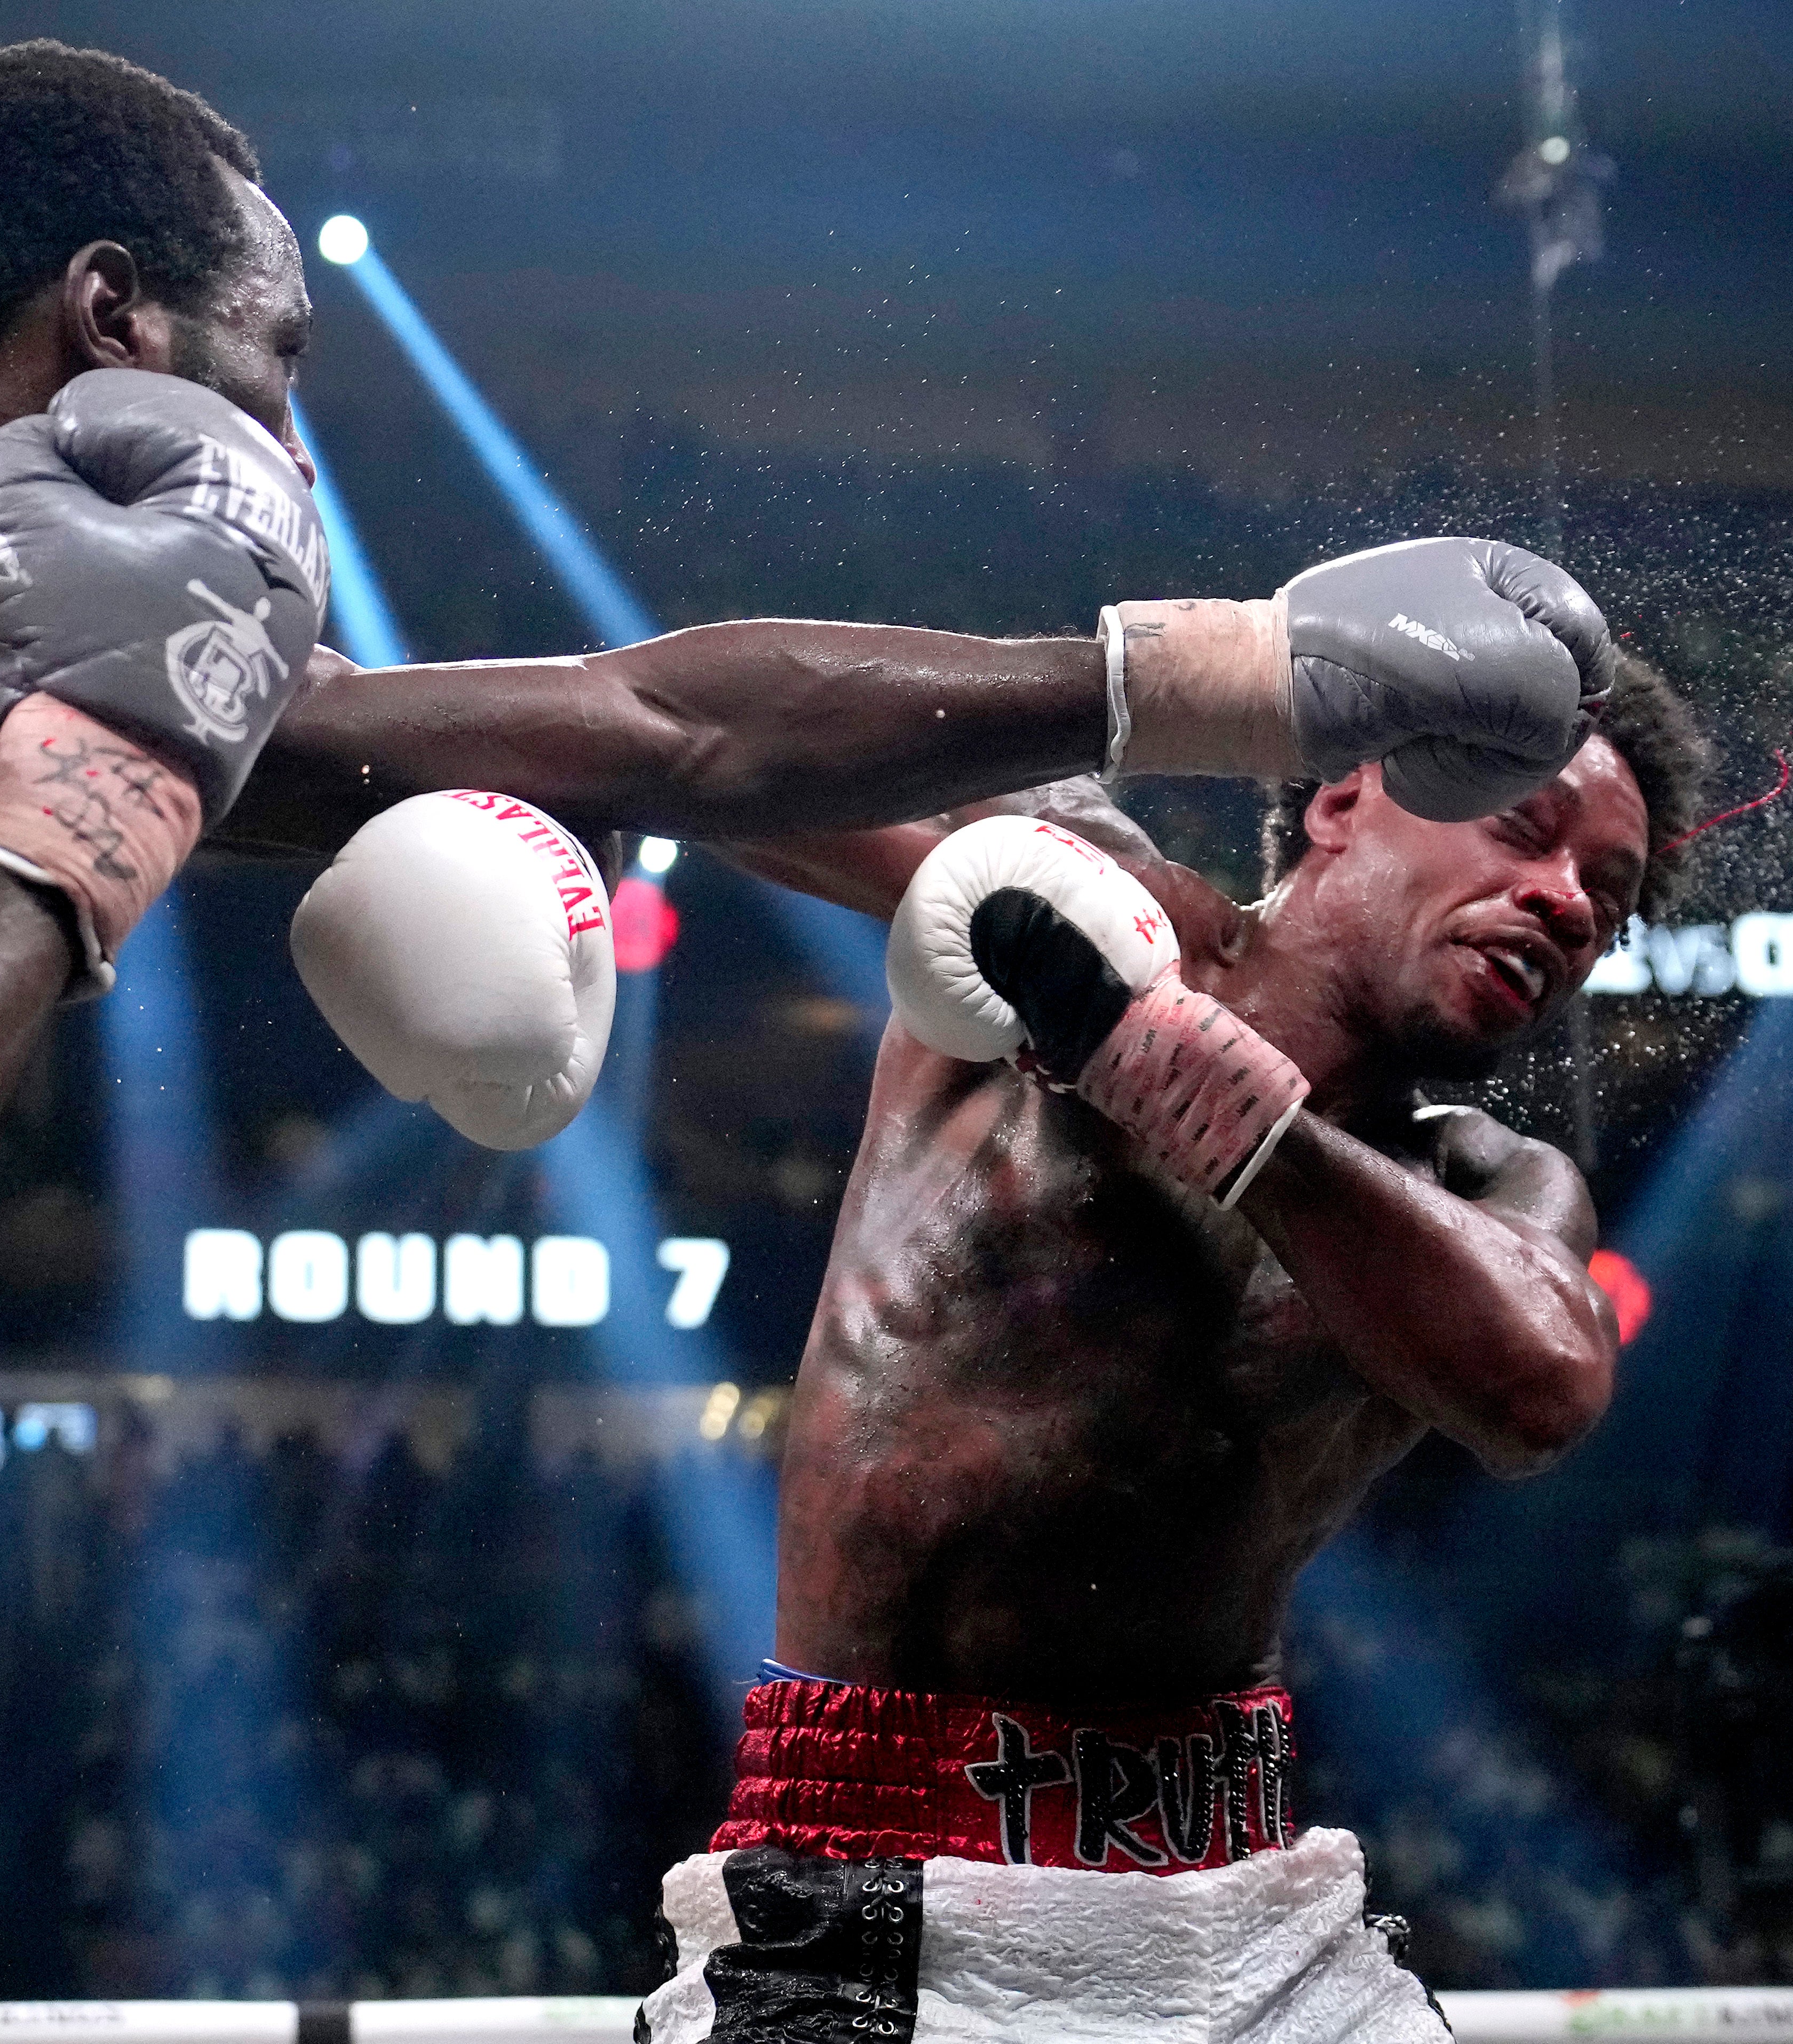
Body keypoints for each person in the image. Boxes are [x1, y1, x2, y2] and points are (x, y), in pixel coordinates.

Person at [0, 39, 1621, 2044]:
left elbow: (672, 722)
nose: (292, 443)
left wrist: (1238, 675)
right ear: (114, 331)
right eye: (273, 367)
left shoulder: (86, 669)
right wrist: (103, 796)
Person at [637, 662, 1709, 2042]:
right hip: (890, 1890)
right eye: (1523, 831)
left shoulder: (1488, 1184)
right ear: (1340, 797)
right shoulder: (1074, 887)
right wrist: (1175, 664)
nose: (1567, 902)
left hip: (1251, 1904)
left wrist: (1176, 1069)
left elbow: (1539, 1386)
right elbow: (727, 753)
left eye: (1604, 900)